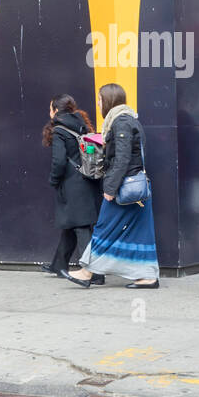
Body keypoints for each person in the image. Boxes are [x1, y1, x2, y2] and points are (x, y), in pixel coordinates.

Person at [64, 85, 158, 288]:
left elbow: (123, 159)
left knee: (104, 226)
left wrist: (110, 189)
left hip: (125, 187)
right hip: (136, 188)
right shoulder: (127, 118)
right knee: (140, 231)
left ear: (108, 101)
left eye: (99, 100)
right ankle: (148, 276)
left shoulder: (121, 122)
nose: (98, 104)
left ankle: (87, 272)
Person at [43, 94, 103, 281]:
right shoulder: (82, 124)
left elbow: (59, 161)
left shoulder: (60, 130)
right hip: (87, 180)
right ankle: (59, 264)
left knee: (82, 226)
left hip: (73, 184)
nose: (49, 112)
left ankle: (95, 274)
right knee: (72, 224)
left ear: (55, 110)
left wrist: (54, 180)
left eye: (50, 108)